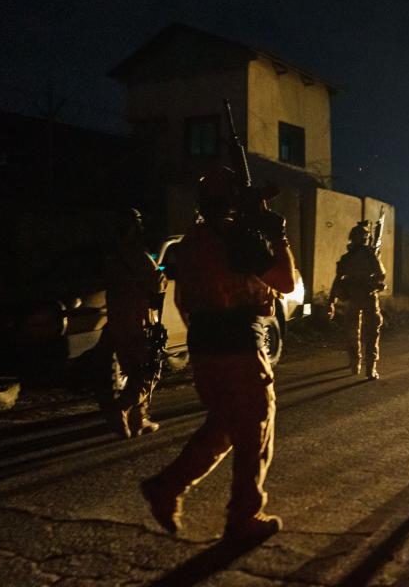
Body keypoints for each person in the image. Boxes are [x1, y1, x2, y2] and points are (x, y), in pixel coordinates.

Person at [140, 165, 295, 541]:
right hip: (239, 345)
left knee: (225, 426)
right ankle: (243, 516)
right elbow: (286, 282)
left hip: (205, 348)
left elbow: (184, 299)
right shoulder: (236, 237)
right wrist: (277, 233)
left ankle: (167, 488)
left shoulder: (193, 240)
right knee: (255, 430)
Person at [102, 208, 167, 439]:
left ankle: (139, 420)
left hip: (117, 322)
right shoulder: (137, 254)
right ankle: (121, 408)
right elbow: (157, 285)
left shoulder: (111, 257)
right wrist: (162, 276)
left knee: (133, 370)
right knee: (149, 372)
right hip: (137, 322)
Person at [327, 221, 386, 379]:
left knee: (353, 331)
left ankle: (355, 363)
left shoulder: (347, 257)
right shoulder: (370, 255)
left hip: (354, 297)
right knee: (371, 332)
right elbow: (381, 274)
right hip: (367, 296)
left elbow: (337, 280)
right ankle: (370, 368)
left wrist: (330, 302)